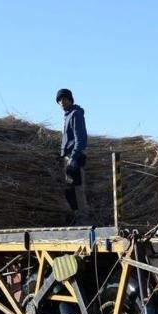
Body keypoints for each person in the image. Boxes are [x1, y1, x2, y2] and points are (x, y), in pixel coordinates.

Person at [56, 88, 90, 225]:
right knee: (70, 192)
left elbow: (80, 140)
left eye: (64, 99)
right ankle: (77, 220)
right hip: (68, 158)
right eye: (59, 100)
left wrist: (73, 159)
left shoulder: (76, 114)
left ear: (70, 99)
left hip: (74, 158)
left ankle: (84, 223)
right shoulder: (67, 116)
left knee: (78, 190)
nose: (62, 102)